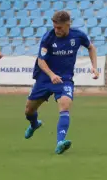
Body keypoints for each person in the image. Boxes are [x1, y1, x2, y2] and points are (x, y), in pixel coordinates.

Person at [24, 11, 99, 154]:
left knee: (65, 104)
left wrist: (94, 67)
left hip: (64, 79)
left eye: (60, 28)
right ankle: (34, 124)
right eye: (55, 27)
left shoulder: (78, 35)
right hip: (45, 78)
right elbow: (41, 60)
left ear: (68, 24)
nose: (56, 30)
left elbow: (91, 47)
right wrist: (51, 74)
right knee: (29, 110)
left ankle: (60, 142)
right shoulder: (48, 37)